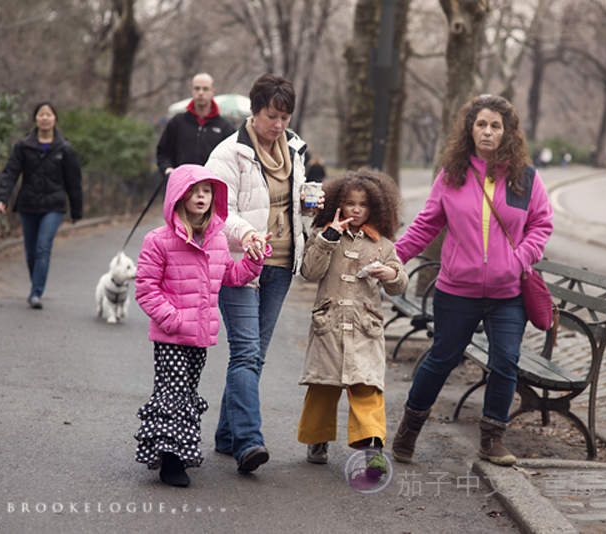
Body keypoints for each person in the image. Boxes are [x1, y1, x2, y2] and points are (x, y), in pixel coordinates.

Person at [390, 94, 554, 466]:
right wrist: (392, 257)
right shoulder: (452, 175)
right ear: (470, 129)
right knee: (441, 359)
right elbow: (425, 226)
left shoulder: (525, 178)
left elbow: (541, 224)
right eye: (481, 124)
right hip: (456, 290)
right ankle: (409, 429)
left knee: (505, 361)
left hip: (508, 292)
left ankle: (492, 439)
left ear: (507, 132)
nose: (488, 131)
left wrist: (519, 259)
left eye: (496, 125)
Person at [205, 73, 322, 473]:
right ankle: (249, 442)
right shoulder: (228, 154)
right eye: (272, 115)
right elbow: (219, 212)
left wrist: (310, 208)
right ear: (254, 111)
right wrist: (248, 233)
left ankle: (225, 435)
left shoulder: (295, 149)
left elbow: (295, 207)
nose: (278, 125)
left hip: (281, 263)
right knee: (246, 352)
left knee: (254, 357)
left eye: (285, 117)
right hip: (239, 265)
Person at [133, 164, 270, 487]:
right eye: (194, 191)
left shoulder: (218, 241)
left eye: (207, 191)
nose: (200, 197)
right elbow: (145, 288)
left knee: (186, 392)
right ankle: (171, 460)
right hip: (171, 336)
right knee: (174, 393)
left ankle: (170, 451)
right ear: (178, 196)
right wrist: (173, 320)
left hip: (200, 338)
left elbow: (232, 277)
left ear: (214, 198)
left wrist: (255, 257)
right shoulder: (158, 240)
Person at [297, 168, 408, 464]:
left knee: (367, 386)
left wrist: (391, 274)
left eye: (363, 204)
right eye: (349, 203)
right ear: (337, 204)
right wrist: (328, 238)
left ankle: (371, 445)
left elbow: (401, 282)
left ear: (376, 207)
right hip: (329, 323)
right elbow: (309, 272)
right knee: (323, 385)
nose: (356, 210)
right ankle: (317, 440)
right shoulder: (324, 235)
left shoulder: (382, 243)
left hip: (365, 328)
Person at [0, 101, 83, 309]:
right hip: (28, 204)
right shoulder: (23, 146)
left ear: (55, 119)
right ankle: (36, 283)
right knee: (31, 251)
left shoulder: (65, 148)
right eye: (41, 114)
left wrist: (76, 211)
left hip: (54, 204)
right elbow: (10, 173)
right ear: (35, 119)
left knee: (43, 247)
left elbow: (74, 181)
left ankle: (36, 292)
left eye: (49, 114)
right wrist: (2, 198)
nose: (44, 118)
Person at [156, 73, 235, 177]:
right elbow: (163, 152)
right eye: (197, 88)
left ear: (212, 91)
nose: (201, 93)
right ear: (192, 90)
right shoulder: (177, 122)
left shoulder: (225, 127)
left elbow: (232, 160)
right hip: (180, 184)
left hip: (211, 187)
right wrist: (168, 170)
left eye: (205, 89)